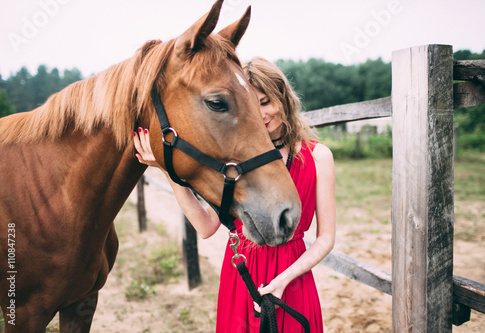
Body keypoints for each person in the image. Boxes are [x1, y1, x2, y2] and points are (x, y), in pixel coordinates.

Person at [133, 57, 336, 333]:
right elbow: (206, 227)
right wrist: (168, 169)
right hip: (242, 279)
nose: (261, 114)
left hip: (292, 278)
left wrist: (283, 280)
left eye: (265, 102)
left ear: (284, 100)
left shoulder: (318, 156)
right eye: (252, 105)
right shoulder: (237, 163)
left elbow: (325, 239)